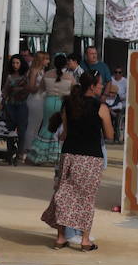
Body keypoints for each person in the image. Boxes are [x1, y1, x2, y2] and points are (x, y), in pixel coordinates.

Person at [42, 70, 113, 252]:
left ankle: (60, 238)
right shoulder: (100, 107)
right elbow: (110, 135)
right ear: (92, 86)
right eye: (99, 84)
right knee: (87, 198)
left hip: (69, 154)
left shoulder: (69, 103)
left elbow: (64, 133)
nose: (102, 86)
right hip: (90, 157)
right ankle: (85, 240)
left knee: (62, 193)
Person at [26, 54, 72, 165]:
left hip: (49, 101)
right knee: (60, 128)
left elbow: (41, 89)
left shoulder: (47, 74)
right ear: (65, 64)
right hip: (62, 102)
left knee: (47, 126)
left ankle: (39, 154)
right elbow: (74, 89)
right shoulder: (69, 76)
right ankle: (55, 156)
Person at [1, 54, 30, 158]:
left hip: (22, 104)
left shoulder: (26, 76)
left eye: (17, 63)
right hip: (10, 105)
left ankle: (20, 152)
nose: (15, 65)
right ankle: (10, 151)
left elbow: (28, 90)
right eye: (13, 63)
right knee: (10, 129)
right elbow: (5, 91)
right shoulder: (9, 76)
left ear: (21, 64)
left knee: (22, 130)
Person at [23, 51, 49, 152]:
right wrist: (42, 86)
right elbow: (31, 87)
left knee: (37, 125)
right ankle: (28, 147)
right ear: (41, 60)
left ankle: (31, 146)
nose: (48, 61)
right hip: (35, 100)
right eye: (46, 59)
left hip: (41, 99)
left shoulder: (42, 71)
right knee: (32, 125)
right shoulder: (34, 70)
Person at [109, 66, 128, 143]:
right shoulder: (111, 80)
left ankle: (118, 137)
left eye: (119, 72)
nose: (117, 74)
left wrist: (121, 96)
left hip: (121, 104)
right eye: (116, 72)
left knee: (118, 117)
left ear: (122, 73)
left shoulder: (125, 81)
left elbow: (128, 92)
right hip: (111, 103)